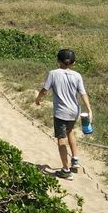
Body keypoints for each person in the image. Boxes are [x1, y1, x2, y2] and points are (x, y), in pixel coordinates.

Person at [35, 49, 93, 180]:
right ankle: (75, 159)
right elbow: (83, 93)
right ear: (74, 62)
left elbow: (44, 90)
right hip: (74, 110)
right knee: (70, 132)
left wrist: (38, 99)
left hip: (61, 112)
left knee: (61, 138)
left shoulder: (53, 73)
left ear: (58, 61)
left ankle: (66, 170)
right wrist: (89, 109)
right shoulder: (77, 75)